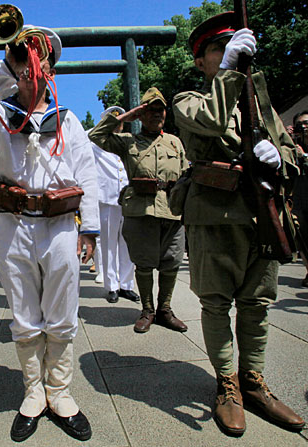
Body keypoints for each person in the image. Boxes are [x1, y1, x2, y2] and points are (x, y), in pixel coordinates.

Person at [0, 25, 99, 442]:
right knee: (23, 314)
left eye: (41, 62)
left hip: (59, 225)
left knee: (62, 312)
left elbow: (87, 175)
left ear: (52, 70)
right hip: (13, 224)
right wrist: (7, 66)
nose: (34, 70)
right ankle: (33, 392)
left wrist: (88, 229)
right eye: (27, 61)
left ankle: (60, 392)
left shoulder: (68, 120)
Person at [172, 12, 305, 436]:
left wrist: (277, 156)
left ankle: (253, 381)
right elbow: (209, 121)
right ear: (201, 61)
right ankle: (227, 384)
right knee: (216, 303)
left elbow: (291, 154)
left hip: (263, 215)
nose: (232, 49)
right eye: (218, 48)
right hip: (214, 217)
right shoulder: (188, 99)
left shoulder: (260, 100)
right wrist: (228, 71)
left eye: (235, 43)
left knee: (257, 304)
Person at [89, 87, 188, 334]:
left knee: (171, 262)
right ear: (142, 114)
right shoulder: (127, 142)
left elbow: (186, 175)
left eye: (160, 110)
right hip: (140, 210)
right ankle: (147, 310)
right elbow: (95, 135)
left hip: (172, 211)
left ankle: (165, 309)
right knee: (143, 265)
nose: (157, 114)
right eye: (150, 110)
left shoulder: (175, 142)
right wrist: (126, 116)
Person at [89, 106, 138, 304]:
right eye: (113, 119)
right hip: (107, 197)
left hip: (128, 198)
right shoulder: (93, 142)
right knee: (109, 244)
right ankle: (112, 286)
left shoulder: (129, 140)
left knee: (128, 244)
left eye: (120, 119)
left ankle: (127, 284)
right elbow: (92, 134)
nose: (118, 123)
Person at [290, 111, 308, 286]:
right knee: (302, 237)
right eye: (299, 124)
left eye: (306, 123)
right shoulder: (293, 145)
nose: (303, 128)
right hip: (298, 199)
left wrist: (304, 156)